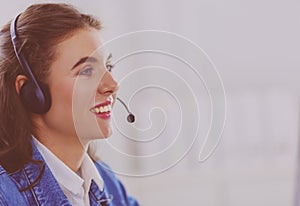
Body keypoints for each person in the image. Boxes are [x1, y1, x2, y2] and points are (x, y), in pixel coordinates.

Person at [0, 3, 139, 206]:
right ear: (32, 92)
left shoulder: (106, 182)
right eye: (86, 71)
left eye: (108, 66)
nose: (112, 85)